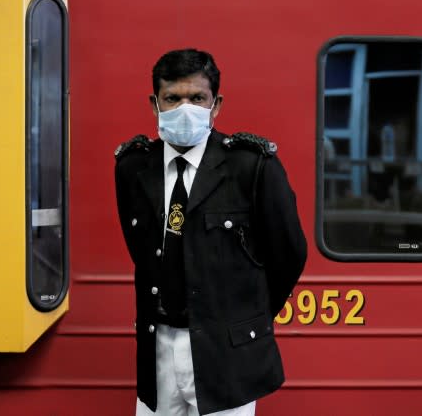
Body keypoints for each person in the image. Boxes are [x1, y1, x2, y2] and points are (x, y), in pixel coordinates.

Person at [114, 49, 307, 416]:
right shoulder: (133, 168)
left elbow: (289, 254)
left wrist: (243, 320)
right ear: (154, 105)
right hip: (158, 351)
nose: (184, 108)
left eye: (197, 98)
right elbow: (141, 250)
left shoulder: (252, 167)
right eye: (172, 98)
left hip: (225, 352)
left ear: (215, 105)